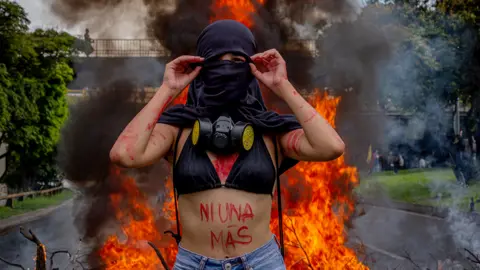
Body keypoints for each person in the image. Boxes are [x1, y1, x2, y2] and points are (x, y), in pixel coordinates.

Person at [110, 20, 345, 270]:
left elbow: (331, 147)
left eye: (236, 60)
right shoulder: (177, 129)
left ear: (251, 67)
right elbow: (125, 154)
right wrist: (168, 89)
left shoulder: (271, 131)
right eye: (216, 59)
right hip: (193, 264)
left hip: (261, 263)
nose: (226, 67)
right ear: (201, 66)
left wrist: (281, 85)